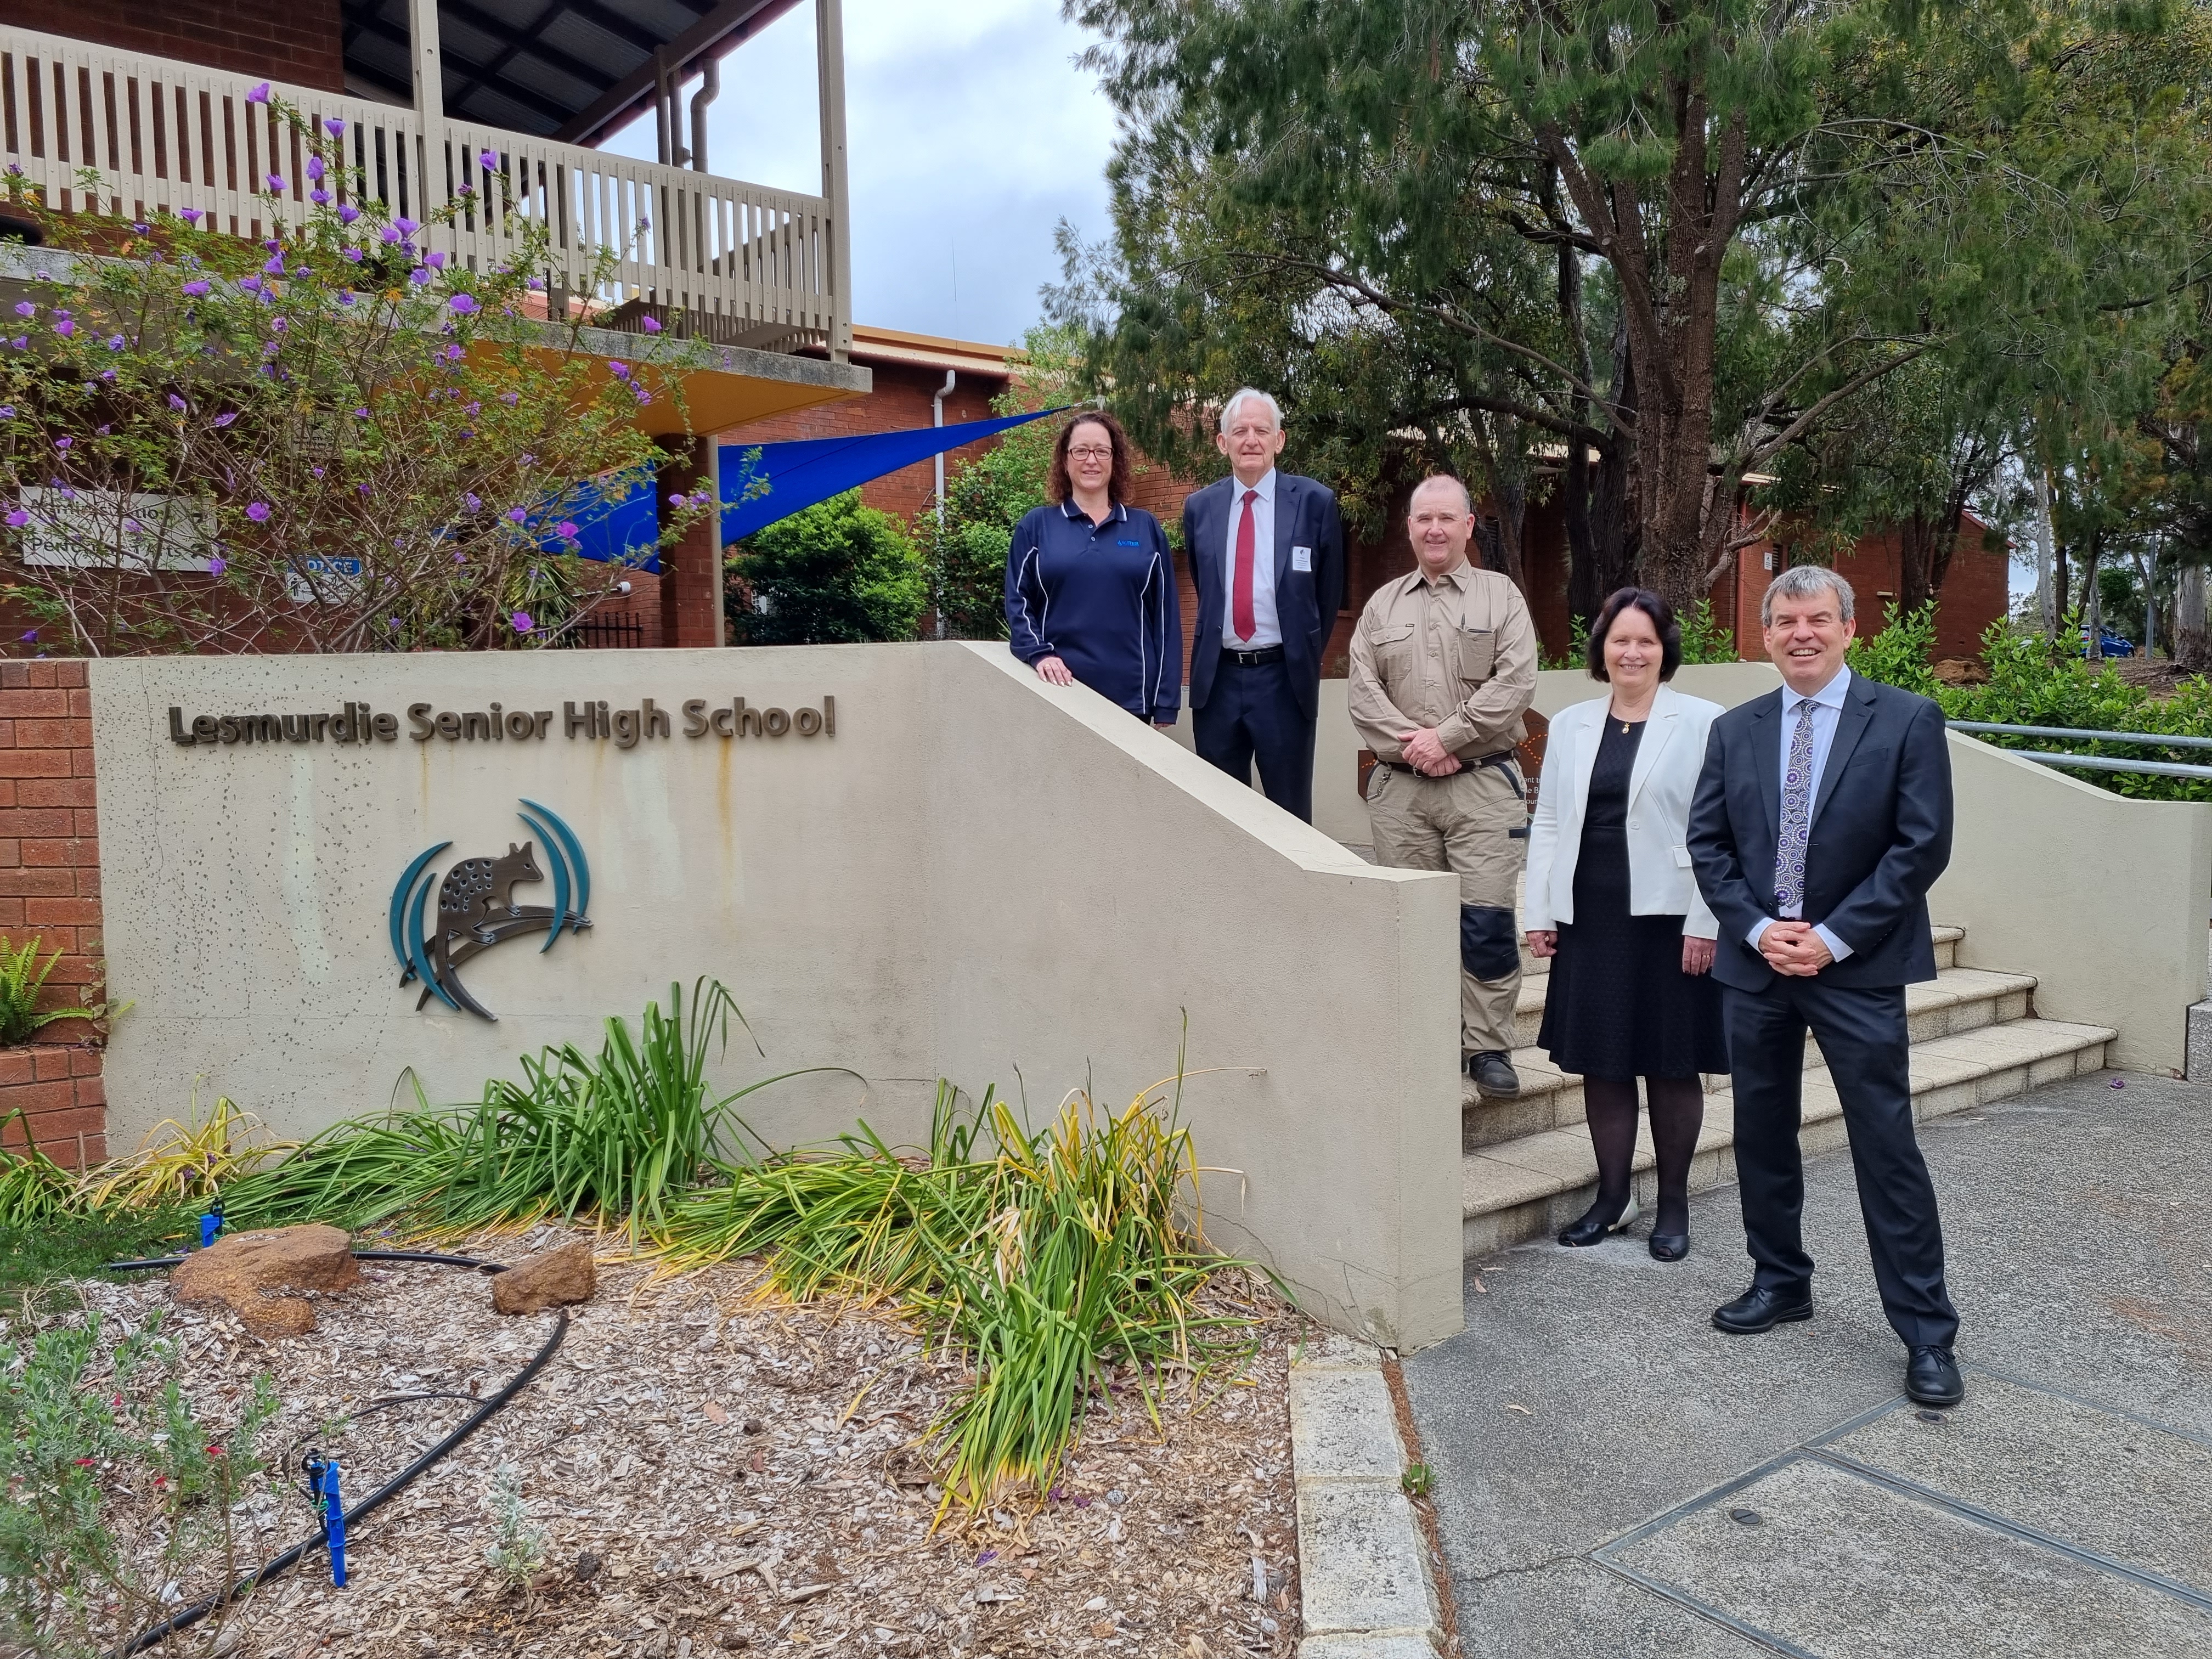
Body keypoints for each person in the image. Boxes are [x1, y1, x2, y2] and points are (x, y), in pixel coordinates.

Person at [1686, 564, 1963, 1408]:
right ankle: (1780, 1282)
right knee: (1762, 1132)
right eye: (1785, 622)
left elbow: (1920, 848)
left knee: (1886, 1144)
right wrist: (1763, 930)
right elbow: (1709, 846)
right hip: (1759, 964)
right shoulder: (1736, 730)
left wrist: (1833, 939)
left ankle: (1926, 1332)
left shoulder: (1908, 719)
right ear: (1765, 636)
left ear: (1849, 629)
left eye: (1818, 619)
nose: (1801, 634)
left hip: (1859, 966)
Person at [1523, 589, 1727, 1260]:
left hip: (1672, 916)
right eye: (1620, 641)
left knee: (1672, 1065)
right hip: (1591, 915)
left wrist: (1708, 921)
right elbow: (1549, 819)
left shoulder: (1703, 722)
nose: (1632, 652)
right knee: (1603, 1064)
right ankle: (1613, 1197)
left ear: (1665, 649)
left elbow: (1720, 829)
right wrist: (1542, 908)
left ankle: (1673, 1205)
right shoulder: (1573, 723)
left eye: (1645, 641)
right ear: (1601, 650)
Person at [1348, 475, 1538, 1099]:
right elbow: (1362, 693)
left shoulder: (1500, 597)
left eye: (1446, 519)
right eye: (1422, 518)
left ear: (1467, 526)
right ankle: (1425, 1041)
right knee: (1412, 925)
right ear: (1410, 527)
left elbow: (1514, 682)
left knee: (1485, 920)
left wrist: (1447, 738)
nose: (1434, 529)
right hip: (1402, 795)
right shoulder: (1381, 606)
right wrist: (1417, 745)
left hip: (1482, 788)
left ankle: (1487, 1048)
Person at [1182, 388, 1347, 821]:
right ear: (1223, 443)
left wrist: (1300, 652)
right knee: (1222, 818)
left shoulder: (1315, 503)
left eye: (1262, 430)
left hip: (1283, 681)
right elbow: (1206, 585)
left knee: (1289, 817)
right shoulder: (1199, 508)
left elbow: (1327, 597)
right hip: (1217, 682)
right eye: (1240, 431)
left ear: (1280, 440)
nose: (1251, 439)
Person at [1005, 413, 1181, 729]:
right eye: (1081, 450)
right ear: (1065, 459)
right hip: (1061, 694)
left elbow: (1166, 619)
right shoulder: (1036, 527)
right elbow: (1018, 602)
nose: (1092, 461)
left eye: (1102, 451)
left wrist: (1165, 701)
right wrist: (1038, 654)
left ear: (1115, 460)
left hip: (1132, 699)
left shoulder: (1146, 528)